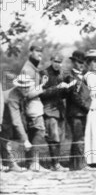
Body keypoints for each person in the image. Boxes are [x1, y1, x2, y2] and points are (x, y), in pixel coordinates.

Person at [40, 55, 73, 171]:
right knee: (53, 137)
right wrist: (57, 87)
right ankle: (55, 164)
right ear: (51, 60)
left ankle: (56, 163)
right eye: (55, 61)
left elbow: (63, 94)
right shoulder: (44, 73)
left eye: (59, 62)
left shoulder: (62, 74)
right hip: (48, 109)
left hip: (60, 110)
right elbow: (41, 93)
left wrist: (68, 87)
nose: (57, 64)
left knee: (59, 137)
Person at [20, 43, 49, 171]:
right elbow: (27, 94)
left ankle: (30, 163)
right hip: (32, 107)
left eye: (41, 52)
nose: (40, 54)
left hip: (34, 106)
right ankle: (34, 163)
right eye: (37, 51)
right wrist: (42, 87)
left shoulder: (33, 68)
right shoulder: (27, 69)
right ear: (30, 52)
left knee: (33, 134)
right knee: (39, 131)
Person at [0, 75, 36, 171]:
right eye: (23, 87)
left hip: (6, 117)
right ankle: (11, 165)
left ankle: (6, 163)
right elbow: (16, 121)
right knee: (5, 139)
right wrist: (25, 140)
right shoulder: (13, 98)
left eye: (28, 87)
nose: (26, 89)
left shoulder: (20, 93)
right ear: (18, 87)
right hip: (4, 118)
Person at [65, 50, 91, 170]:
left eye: (83, 62)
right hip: (75, 113)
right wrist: (87, 107)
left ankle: (74, 165)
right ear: (73, 62)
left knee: (79, 138)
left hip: (83, 112)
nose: (81, 65)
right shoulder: (70, 77)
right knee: (79, 138)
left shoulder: (84, 77)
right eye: (79, 62)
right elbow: (75, 96)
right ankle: (81, 165)